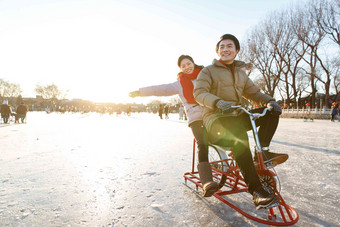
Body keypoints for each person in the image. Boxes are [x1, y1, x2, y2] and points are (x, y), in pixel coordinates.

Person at [193, 34, 288, 209]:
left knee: (270, 112)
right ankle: (257, 191)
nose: (225, 49)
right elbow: (199, 93)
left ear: (236, 51)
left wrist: (270, 101)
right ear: (218, 51)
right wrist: (217, 102)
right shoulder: (208, 71)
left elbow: (254, 93)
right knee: (239, 135)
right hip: (216, 119)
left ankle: (263, 153)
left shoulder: (240, 74)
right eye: (222, 47)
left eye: (230, 46)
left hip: (236, 115)